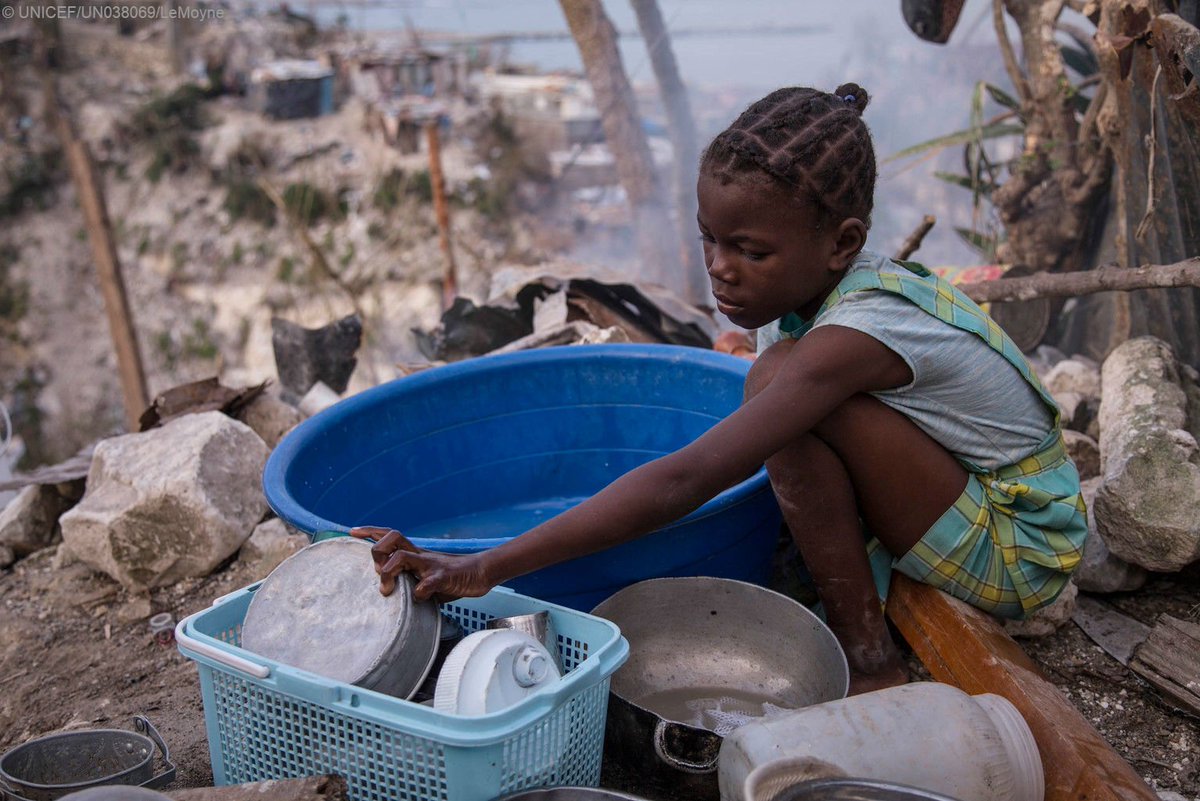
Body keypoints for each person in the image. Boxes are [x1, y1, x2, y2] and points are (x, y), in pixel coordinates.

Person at [352, 83, 1087, 694]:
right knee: (776, 387)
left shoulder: (854, 335)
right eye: (710, 238)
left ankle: (869, 661)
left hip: (1023, 541)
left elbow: (688, 477)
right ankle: (852, 616)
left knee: (779, 395)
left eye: (750, 250)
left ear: (842, 242)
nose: (720, 268)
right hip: (967, 495)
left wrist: (488, 563)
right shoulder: (814, 295)